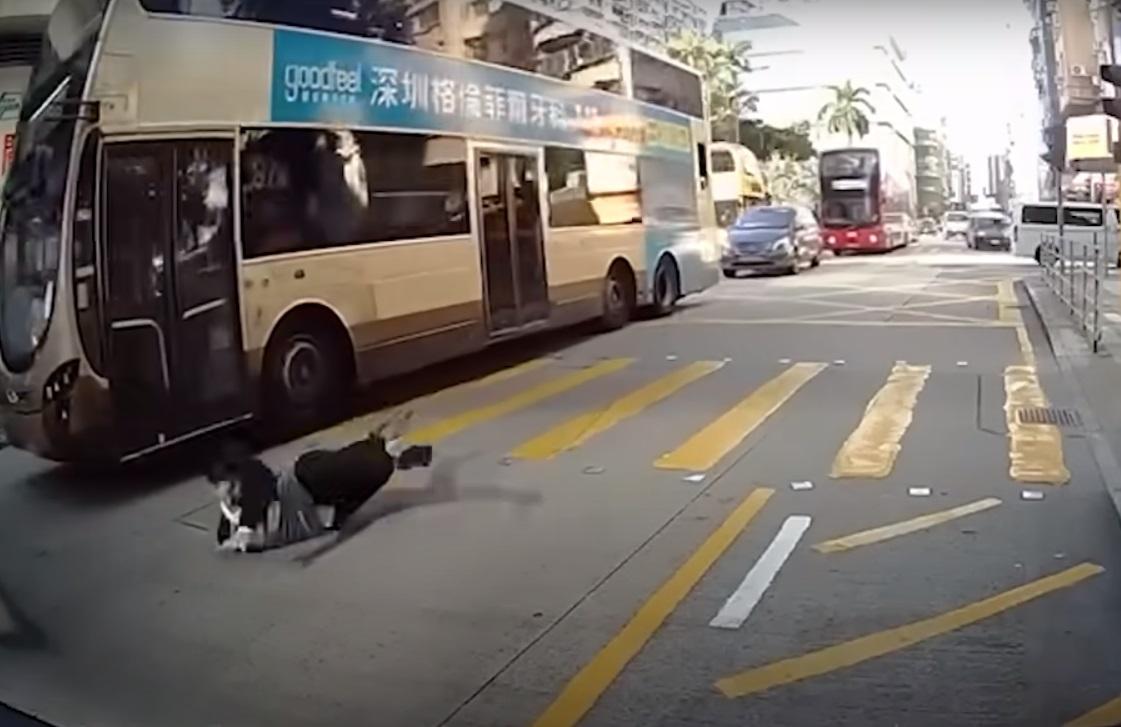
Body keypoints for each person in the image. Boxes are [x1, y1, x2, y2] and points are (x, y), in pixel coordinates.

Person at [208, 410, 431, 553]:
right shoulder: (230, 518)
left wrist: (246, 529)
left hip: (305, 479)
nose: (228, 495)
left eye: (229, 488)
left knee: (363, 466)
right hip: (318, 496)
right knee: (361, 474)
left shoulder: (252, 483)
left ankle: (384, 445)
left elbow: (258, 482)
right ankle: (392, 450)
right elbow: (234, 534)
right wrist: (235, 539)